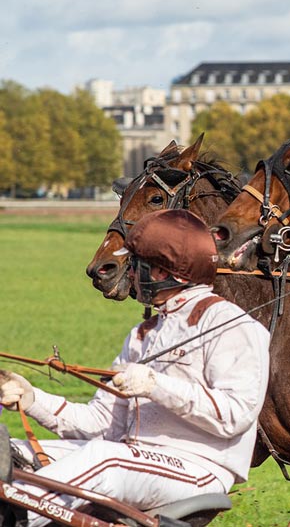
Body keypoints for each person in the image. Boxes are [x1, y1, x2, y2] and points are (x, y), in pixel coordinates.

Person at [0, 209, 270, 526]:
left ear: (168, 273)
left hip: (200, 468)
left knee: (104, 458)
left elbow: (236, 415)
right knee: (13, 452)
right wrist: (31, 399)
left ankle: (13, 516)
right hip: (134, 458)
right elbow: (102, 425)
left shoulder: (230, 325)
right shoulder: (144, 333)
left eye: (138, 265)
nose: (131, 274)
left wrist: (157, 386)